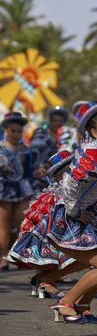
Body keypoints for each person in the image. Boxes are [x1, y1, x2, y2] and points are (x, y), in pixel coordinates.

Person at [13, 101, 97, 323]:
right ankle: (65, 302)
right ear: (93, 131)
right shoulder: (93, 153)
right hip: (66, 221)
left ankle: (83, 303)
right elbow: (69, 186)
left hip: (84, 220)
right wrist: (75, 211)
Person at [8, 150, 88, 298]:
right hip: (54, 228)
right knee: (50, 248)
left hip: (61, 227)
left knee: (59, 250)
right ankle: (46, 282)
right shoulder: (58, 192)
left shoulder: (63, 190)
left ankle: (41, 281)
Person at [1, 112, 45, 271]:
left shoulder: (29, 152)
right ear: (6, 130)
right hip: (4, 190)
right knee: (4, 226)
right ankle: (4, 258)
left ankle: (21, 257)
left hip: (23, 190)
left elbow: (33, 171)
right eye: (13, 131)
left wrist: (39, 173)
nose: (16, 134)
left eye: (19, 131)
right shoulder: (0, 149)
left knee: (23, 225)